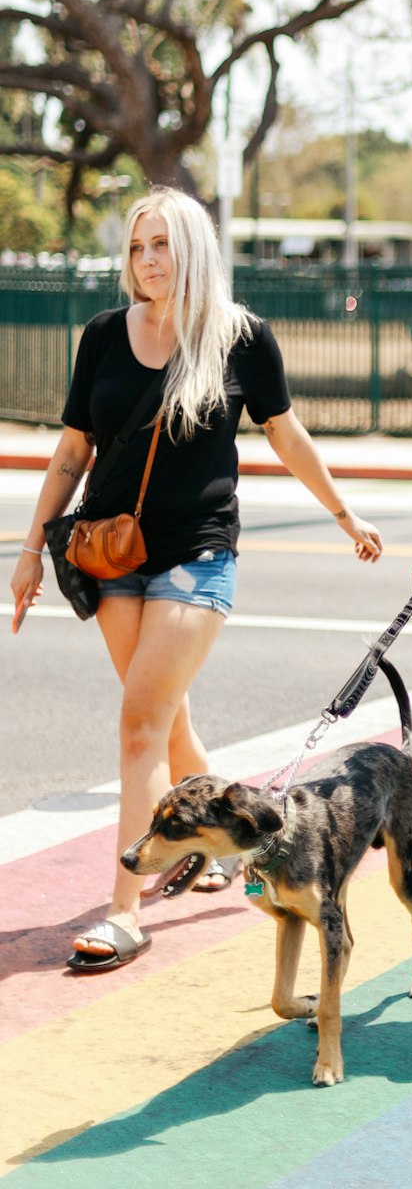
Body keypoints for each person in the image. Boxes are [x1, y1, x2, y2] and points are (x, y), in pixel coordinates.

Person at [10, 187, 383, 973]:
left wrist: (345, 514)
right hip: (111, 555)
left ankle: (123, 911)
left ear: (195, 251)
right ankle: (241, 840)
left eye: (164, 245)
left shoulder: (241, 338)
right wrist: (30, 549)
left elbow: (286, 432)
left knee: (140, 722)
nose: (148, 261)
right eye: (139, 246)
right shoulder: (104, 335)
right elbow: (72, 450)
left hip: (198, 553)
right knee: (166, 718)